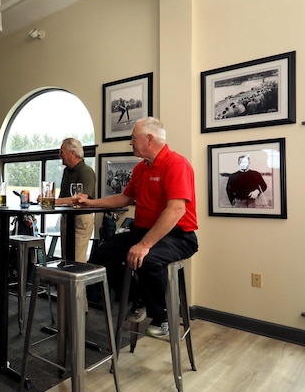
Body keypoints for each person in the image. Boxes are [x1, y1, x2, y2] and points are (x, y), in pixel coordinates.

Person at [77, 117, 198, 337]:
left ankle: (163, 318)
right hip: (143, 231)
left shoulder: (176, 164)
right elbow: (124, 199)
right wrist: (91, 203)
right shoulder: (142, 168)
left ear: (149, 139)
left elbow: (176, 210)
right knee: (102, 253)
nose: (131, 143)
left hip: (179, 236)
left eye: (133, 138)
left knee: (147, 259)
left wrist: (144, 245)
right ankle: (137, 298)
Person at [46, 137, 97, 263]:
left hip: (81, 219)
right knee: (66, 259)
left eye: (61, 151)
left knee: (76, 261)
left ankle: (75, 283)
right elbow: (62, 198)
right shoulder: (66, 171)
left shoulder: (86, 171)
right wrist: (47, 198)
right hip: (67, 218)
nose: (59, 155)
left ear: (72, 153)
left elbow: (82, 198)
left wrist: (54, 201)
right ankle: (64, 283)